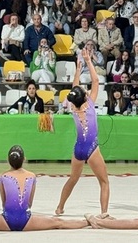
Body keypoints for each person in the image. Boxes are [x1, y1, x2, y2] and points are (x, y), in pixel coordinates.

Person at [55, 55, 110, 217]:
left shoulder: (73, 108)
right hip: (91, 149)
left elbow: (75, 89)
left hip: (78, 149)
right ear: (86, 96)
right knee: (104, 182)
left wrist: (78, 70)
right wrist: (89, 61)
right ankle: (104, 213)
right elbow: (95, 81)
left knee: (73, 178)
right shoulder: (90, 106)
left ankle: (60, 207)